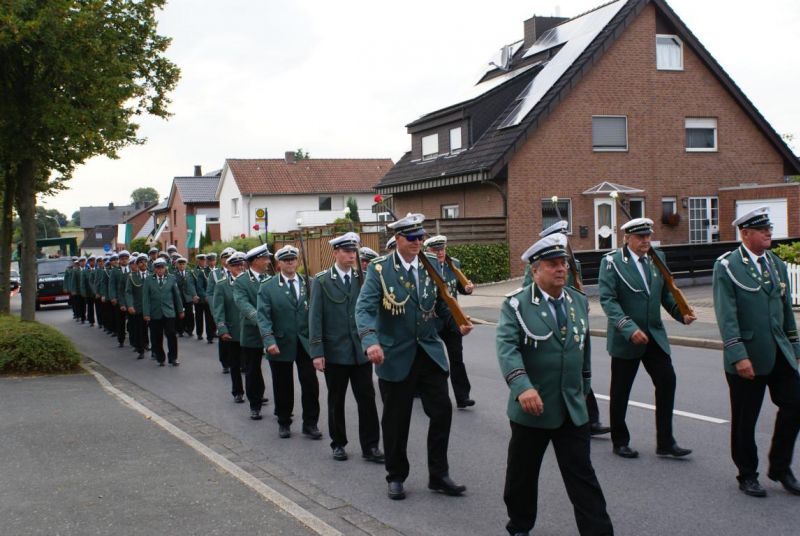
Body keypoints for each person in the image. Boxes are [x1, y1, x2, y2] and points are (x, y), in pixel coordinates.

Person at [497, 233, 613, 536]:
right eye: (553, 264)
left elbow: (583, 349)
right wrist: (522, 387)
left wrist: (584, 387)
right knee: (522, 475)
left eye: (563, 263)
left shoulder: (578, 301)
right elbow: (507, 349)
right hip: (533, 407)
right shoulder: (517, 305)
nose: (561, 269)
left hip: (571, 407)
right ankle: (519, 526)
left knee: (583, 477)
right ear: (535, 270)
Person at [356, 213, 472, 500]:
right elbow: (364, 308)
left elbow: (441, 303)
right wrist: (371, 342)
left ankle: (439, 475)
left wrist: (457, 322)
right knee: (396, 421)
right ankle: (396, 476)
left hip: (429, 352)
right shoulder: (380, 269)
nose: (418, 242)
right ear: (397, 239)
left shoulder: (430, 264)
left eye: (421, 237)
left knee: (442, 412)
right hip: (395, 354)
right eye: (412, 237)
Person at [713, 206, 800, 497]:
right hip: (748, 355)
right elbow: (726, 315)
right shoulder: (727, 266)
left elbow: (785, 310)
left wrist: (795, 346)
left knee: (795, 404)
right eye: (762, 230)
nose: (768, 233)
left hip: (779, 351)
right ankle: (747, 474)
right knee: (745, 420)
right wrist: (738, 355)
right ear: (745, 233)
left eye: (769, 228)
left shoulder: (776, 264)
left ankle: (780, 467)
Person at [598, 217, 696, 459]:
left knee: (667, 382)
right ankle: (620, 441)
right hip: (627, 337)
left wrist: (681, 313)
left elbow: (665, 294)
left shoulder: (656, 258)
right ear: (627, 238)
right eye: (640, 237)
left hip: (653, 335)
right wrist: (628, 328)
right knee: (621, 390)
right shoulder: (612, 262)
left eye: (648, 236)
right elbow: (608, 300)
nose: (645, 240)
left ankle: (666, 441)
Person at [524, 221, 610, 436]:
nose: (565, 242)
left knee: (578, 369)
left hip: (573, 318)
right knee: (562, 371)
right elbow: (529, 292)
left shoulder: (573, 263)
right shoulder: (536, 267)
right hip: (550, 319)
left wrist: (579, 304)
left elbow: (576, 288)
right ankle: (578, 419)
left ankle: (589, 419)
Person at [310, 232, 383, 462]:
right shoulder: (322, 281)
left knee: (367, 400)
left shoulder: (364, 278)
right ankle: (338, 443)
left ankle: (371, 446)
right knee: (336, 400)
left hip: (360, 351)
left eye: (354, 251)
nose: (352, 255)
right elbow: (315, 317)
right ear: (335, 253)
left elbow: (373, 312)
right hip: (335, 352)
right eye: (346, 251)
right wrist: (317, 352)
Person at [257, 245, 321, 440]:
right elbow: (263, 316)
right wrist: (269, 340)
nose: (290, 263)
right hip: (280, 342)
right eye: (286, 260)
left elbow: (317, 313)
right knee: (283, 385)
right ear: (279, 264)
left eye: (293, 259)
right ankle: (284, 421)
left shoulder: (310, 283)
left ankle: (310, 424)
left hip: (305, 342)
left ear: (297, 261)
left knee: (310, 384)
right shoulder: (268, 287)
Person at [423, 234, 476, 408]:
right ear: (428, 251)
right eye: (435, 250)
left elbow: (459, 288)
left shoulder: (453, 265)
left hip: (453, 319)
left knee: (457, 360)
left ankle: (462, 397)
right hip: (433, 321)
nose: (439, 253)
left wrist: (468, 289)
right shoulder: (423, 268)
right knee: (432, 361)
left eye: (442, 249)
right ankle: (429, 394)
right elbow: (434, 300)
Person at [233, 244, 272, 420]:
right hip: (252, 331)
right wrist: (261, 320)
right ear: (255, 261)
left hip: (272, 331)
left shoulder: (270, 279)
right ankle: (254, 405)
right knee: (252, 369)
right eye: (265, 258)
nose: (268, 261)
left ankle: (282, 407)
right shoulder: (241, 281)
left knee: (279, 370)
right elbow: (242, 303)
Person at [213, 251, 247, 403]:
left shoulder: (251, 282)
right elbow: (219, 310)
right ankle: (237, 391)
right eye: (235, 265)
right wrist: (222, 329)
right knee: (235, 364)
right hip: (233, 331)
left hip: (250, 331)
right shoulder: (222, 285)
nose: (239, 267)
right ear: (229, 267)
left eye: (241, 264)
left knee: (252, 365)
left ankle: (256, 393)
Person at [142, 258, 185, 366]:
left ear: (165, 268)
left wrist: (180, 310)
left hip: (169, 312)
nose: (160, 270)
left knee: (171, 334)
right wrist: (146, 313)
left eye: (162, 267)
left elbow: (177, 295)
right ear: (154, 269)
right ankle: (160, 358)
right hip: (155, 312)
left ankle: (173, 358)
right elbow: (145, 298)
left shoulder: (171, 278)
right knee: (157, 336)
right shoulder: (148, 280)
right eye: (158, 268)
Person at [208, 248, 236, 372]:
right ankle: (225, 363)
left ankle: (239, 362)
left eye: (231, 257)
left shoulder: (241, 271)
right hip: (221, 309)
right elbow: (210, 293)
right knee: (224, 336)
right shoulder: (215, 274)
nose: (228, 260)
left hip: (235, 308)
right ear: (221, 260)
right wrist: (214, 310)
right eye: (226, 257)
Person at [125, 255, 150, 359]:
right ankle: (140, 350)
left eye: (145, 262)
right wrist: (130, 305)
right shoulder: (132, 276)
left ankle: (149, 346)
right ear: (137, 264)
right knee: (139, 329)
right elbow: (128, 292)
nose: (143, 264)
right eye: (141, 262)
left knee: (153, 329)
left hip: (151, 307)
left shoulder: (152, 275)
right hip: (138, 307)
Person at [174, 257, 198, 337]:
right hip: (179, 297)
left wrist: (194, 295)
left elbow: (192, 285)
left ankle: (190, 329)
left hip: (188, 297)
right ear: (177, 265)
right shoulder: (174, 274)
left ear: (186, 265)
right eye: (180, 264)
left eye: (183, 264)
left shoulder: (190, 273)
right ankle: (180, 330)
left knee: (189, 314)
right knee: (179, 314)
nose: (182, 266)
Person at [203, 252, 218, 344]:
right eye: (210, 261)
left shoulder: (219, 271)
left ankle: (215, 331)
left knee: (216, 316)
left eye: (213, 260)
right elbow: (201, 285)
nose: (212, 262)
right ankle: (209, 336)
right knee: (209, 317)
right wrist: (205, 295)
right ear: (207, 261)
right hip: (209, 297)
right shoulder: (204, 271)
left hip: (218, 297)